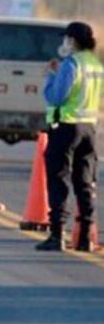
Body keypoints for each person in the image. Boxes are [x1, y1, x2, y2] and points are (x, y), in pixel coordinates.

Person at [37, 21, 103, 252]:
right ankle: (84, 237)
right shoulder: (95, 65)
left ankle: (57, 235)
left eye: (66, 39)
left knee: (58, 178)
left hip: (66, 126)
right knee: (84, 182)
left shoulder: (71, 64)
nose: (63, 43)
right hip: (89, 128)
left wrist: (50, 76)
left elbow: (57, 98)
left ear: (73, 41)